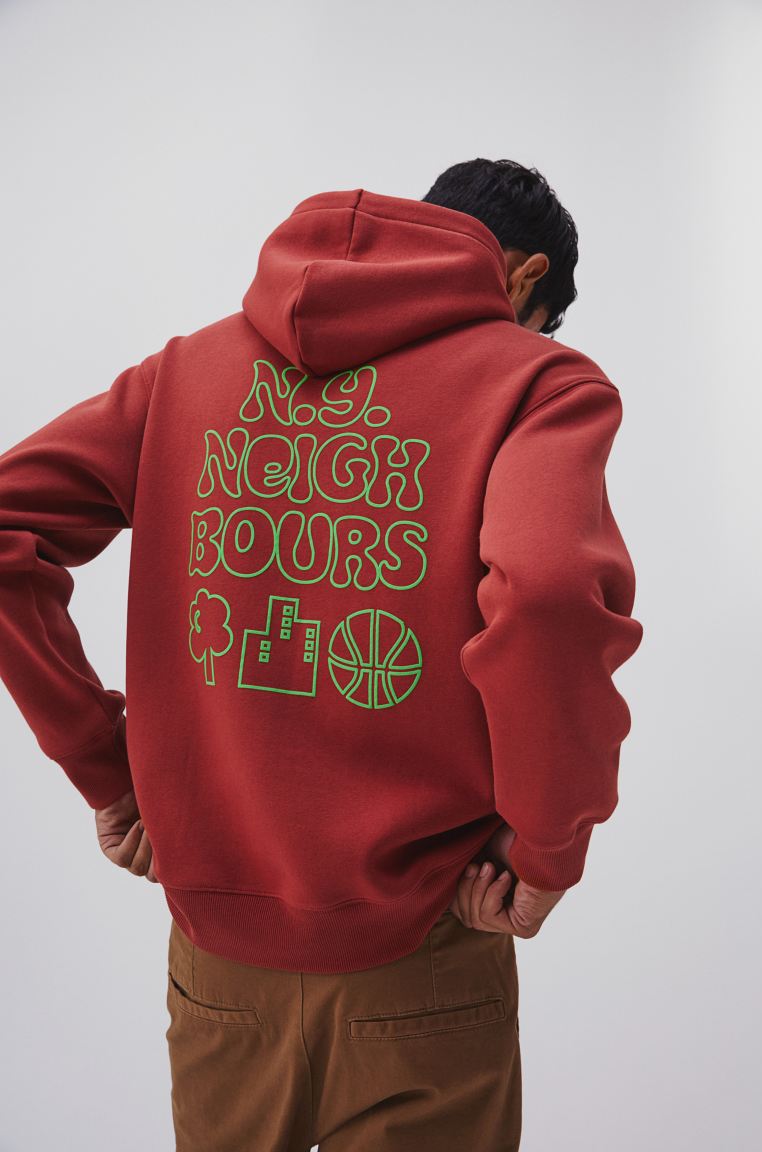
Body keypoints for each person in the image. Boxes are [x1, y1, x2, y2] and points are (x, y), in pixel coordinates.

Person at [0, 158, 643, 1150]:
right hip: (426, 947)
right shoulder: (536, 383)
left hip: (219, 961)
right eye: (544, 319)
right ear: (525, 279)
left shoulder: (187, 372)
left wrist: (110, 771)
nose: (540, 339)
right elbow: (552, 593)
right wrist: (547, 848)